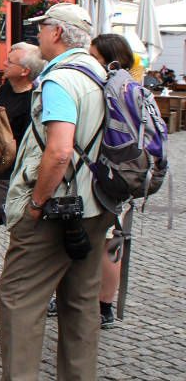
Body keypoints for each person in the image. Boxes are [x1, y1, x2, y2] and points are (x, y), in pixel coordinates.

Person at [0, 3, 114, 380]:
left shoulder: (60, 79)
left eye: (42, 27)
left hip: (56, 208)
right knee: (81, 302)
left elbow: (60, 149)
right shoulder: (101, 73)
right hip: (97, 204)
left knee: (18, 298)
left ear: (58, 32)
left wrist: (35, 202)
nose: (38, 34)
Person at [0, 42, 45, 301]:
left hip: (13, 176)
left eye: (10, 62)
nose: (3, 64)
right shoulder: (2, 91)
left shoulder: (34, 102)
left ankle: (22, 282)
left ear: (25, 71)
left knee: (19, 230)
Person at [89, 33, 135, 330]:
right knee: (113, 242)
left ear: (105, 58)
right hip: (130, 172)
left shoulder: (108, 87)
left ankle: (96, 304)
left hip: (106, 173)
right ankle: (105, 306)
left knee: (102, 241)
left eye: (93, 54)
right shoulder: (133, 86)